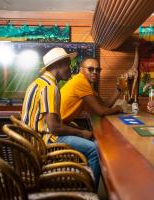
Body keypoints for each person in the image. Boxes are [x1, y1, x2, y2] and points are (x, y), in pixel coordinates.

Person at [21, 48, 101, 190]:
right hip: (42, 142)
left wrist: (76, 129)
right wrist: (81, 133)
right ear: (58, 65)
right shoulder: (50, 87)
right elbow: (54, 128)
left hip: (30, 142)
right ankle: (90, 192)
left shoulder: (36, 83)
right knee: (95, 150)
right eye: (68, 65)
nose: (70, 69)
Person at [60, 57, 125, 123]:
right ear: (81, 69)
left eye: (98, 70)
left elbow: (103, 106)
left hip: (63, 123)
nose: (95, 72)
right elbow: (100, 112)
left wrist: (118, 89)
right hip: (59, 126)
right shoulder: (80, 81)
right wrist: (117, 109)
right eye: (90, 69)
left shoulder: (86, 83)